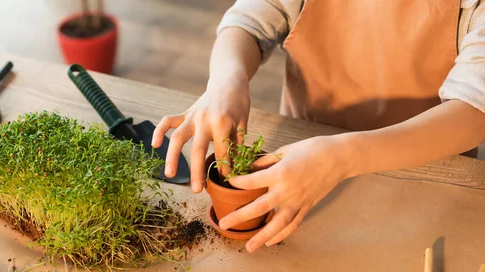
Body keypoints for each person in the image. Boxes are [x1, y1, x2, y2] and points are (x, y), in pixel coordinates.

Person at [152, 0, 485, 253]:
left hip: (426, 172)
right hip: (303, 153)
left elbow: (474, 110)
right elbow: (250, 20)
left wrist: (343, 156)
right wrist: (226, 80)